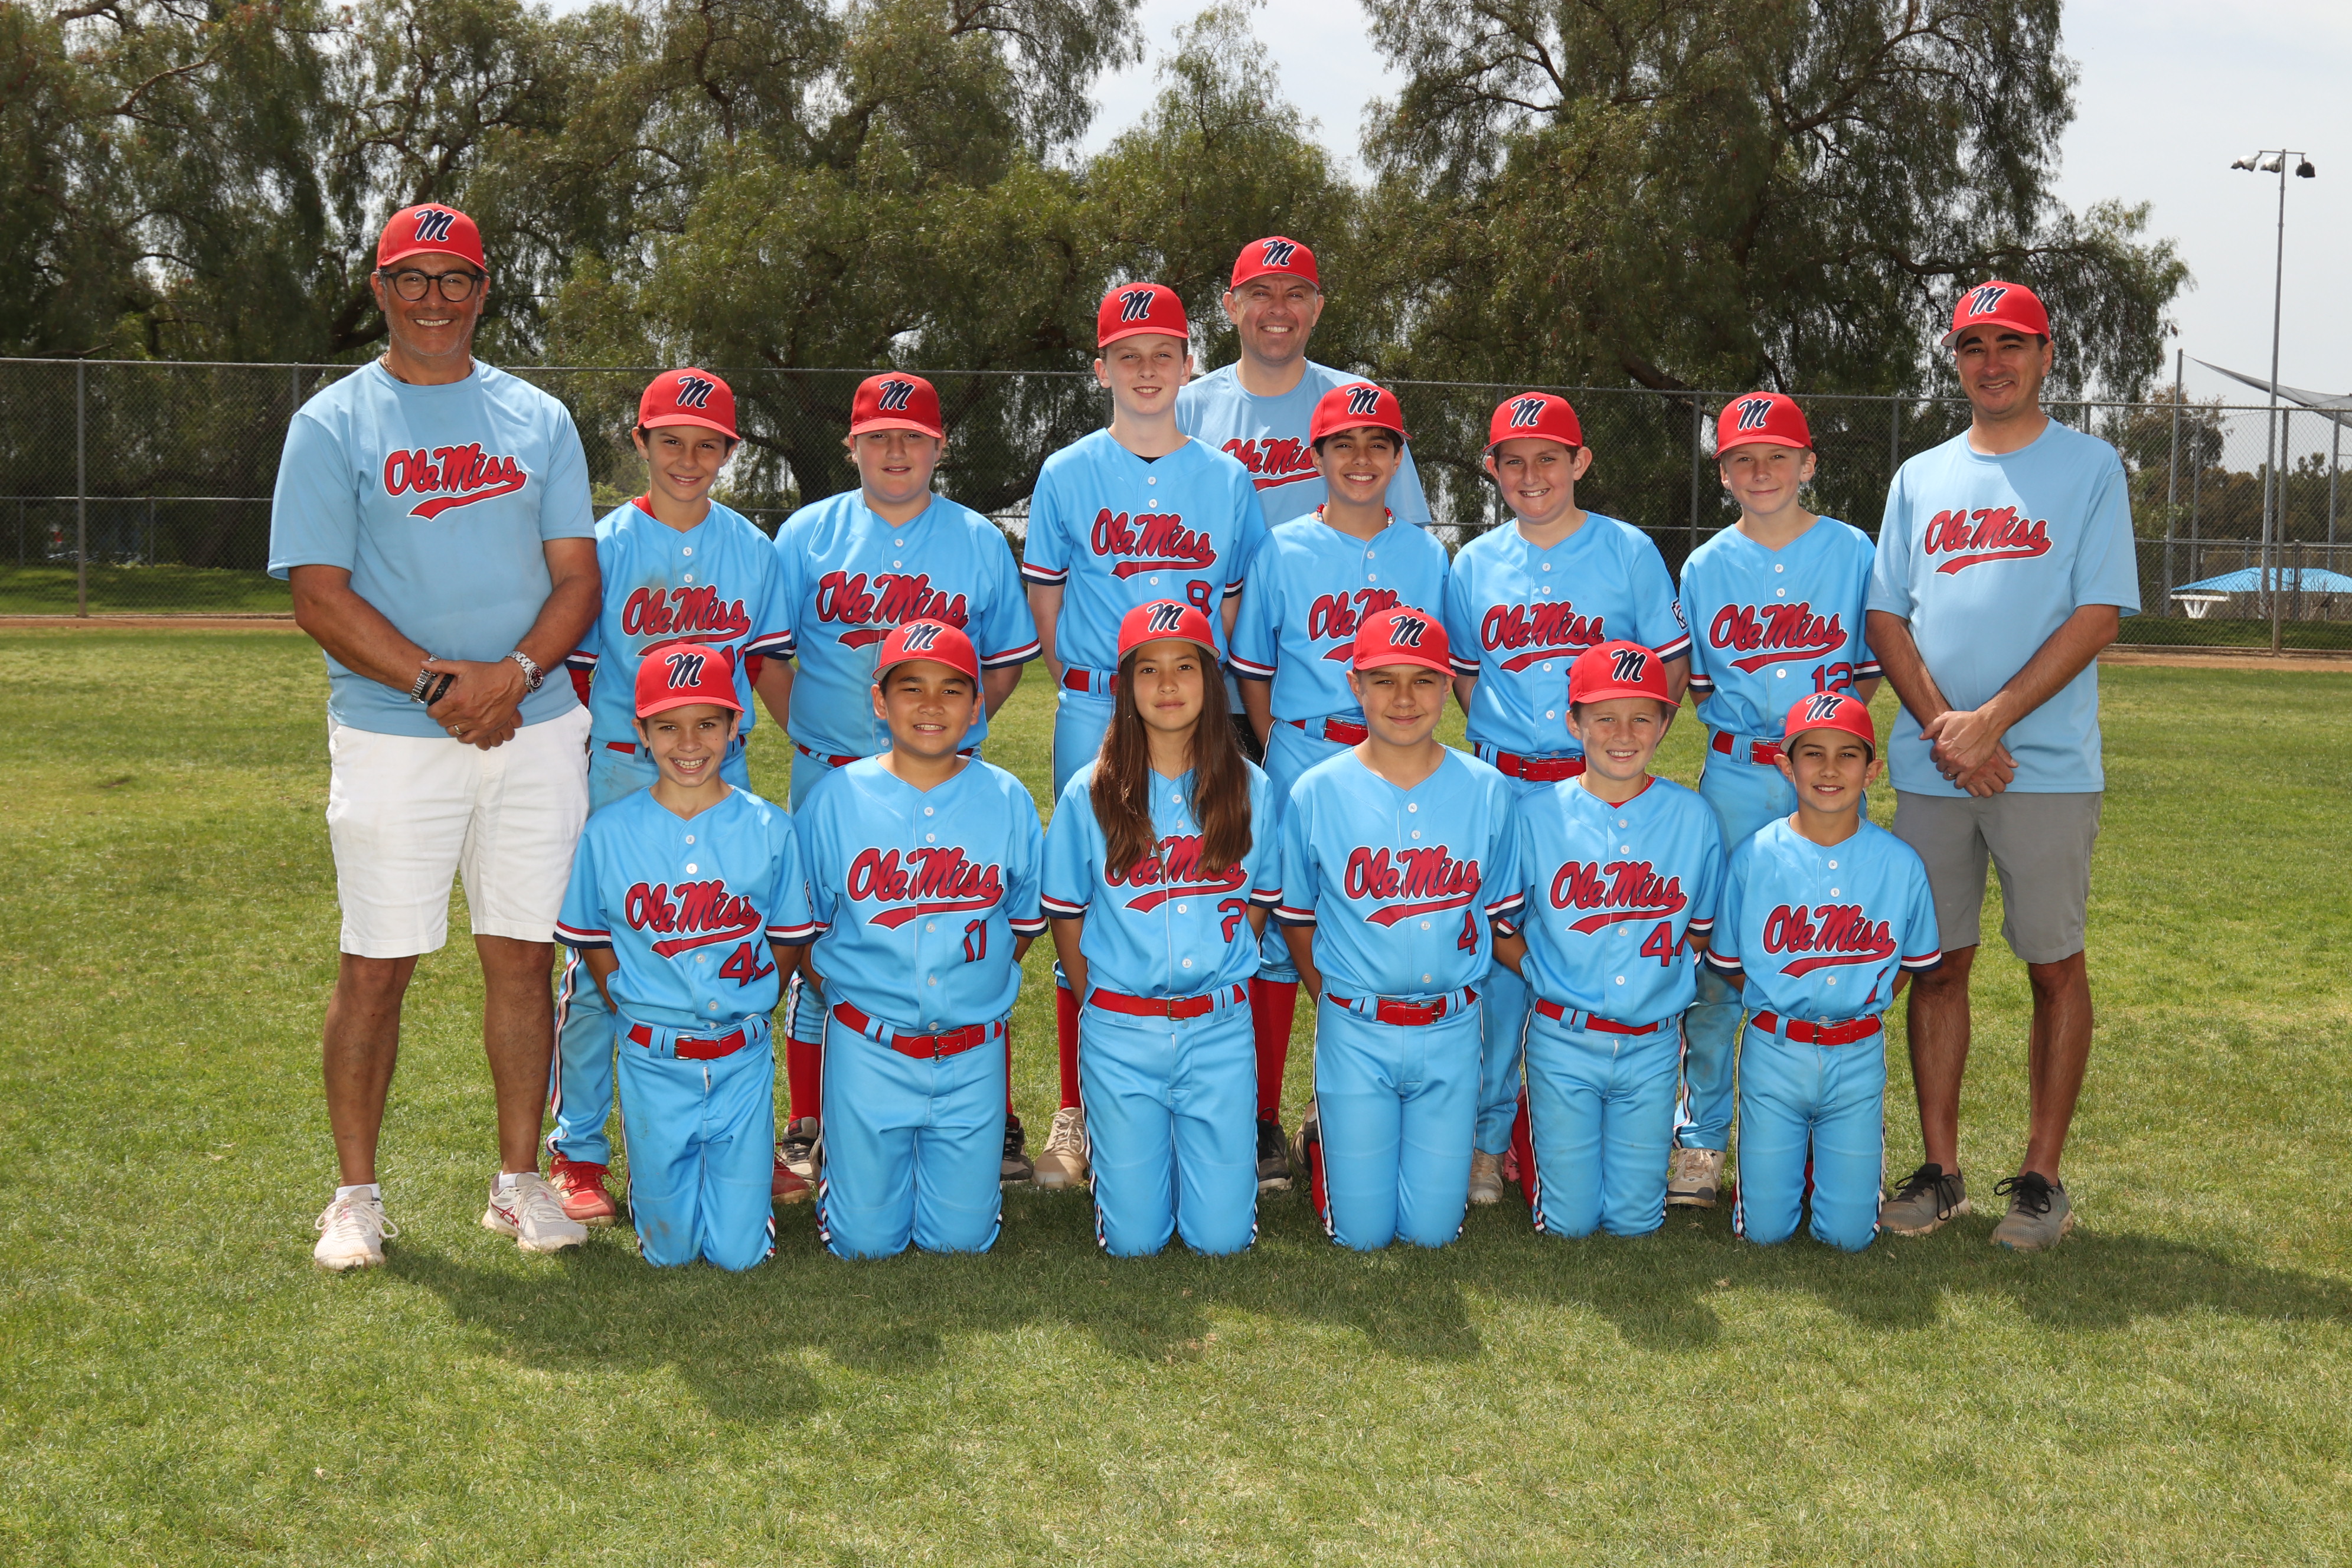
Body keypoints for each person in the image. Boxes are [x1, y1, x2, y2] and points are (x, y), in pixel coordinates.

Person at [273, 203, 602, 1270]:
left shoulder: (537, 417)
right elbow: (318, 596)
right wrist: (436, 684)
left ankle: (518, 1181)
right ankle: (355, 1197)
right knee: (376, 964)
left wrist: (513, 677)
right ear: (380, 291)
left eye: (454, 278)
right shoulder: (332, 422)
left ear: (483, 291)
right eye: (411, 278)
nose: (433, 299)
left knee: (523, 955)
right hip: (392, 732)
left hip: (532, 726)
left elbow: (576, 578)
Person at [1866, 280, 2138, 1252]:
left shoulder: (2088, 466)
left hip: (2045, 766)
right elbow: (1885, 618)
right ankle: (1940, 1172)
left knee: (2053, 965)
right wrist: (1951, 731)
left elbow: (2097, 616)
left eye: (2011, 343)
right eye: (1973, 345)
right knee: (1936, 966)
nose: (1992, 362)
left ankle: (2041, 1178)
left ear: (2046, 354)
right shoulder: (1920, 476)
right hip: (1935, 764)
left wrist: (1992, 722)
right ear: (1955, 361)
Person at [1022, 283, 1267, 1190]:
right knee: (1090, 892)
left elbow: (1233, 608)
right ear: (1102, 369)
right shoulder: (1066, 471)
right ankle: (1081, 1109)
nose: (1148, 369)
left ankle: (1209, 1092)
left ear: (1189, 365)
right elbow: (1047, 600)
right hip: (1096, 703)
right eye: (1128, 355)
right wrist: (1093, 685)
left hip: (1199, 708)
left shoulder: (1227, 478)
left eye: (1164, 352)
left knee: (1198, 880)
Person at [769, 373, 1040, 1189]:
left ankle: (991, 1114)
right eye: (878, 436)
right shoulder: (807, 534)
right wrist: (811, 735)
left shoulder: (978, 539)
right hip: (830, 773)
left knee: (962, 935)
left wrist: (945, 737)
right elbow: (770, 657)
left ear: (939, 447)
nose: (896, 450)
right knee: (820, 942)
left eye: (912, 436)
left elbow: (1000, 664)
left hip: (950, 780)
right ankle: (810, 1119)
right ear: (851, 445)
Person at [545, 368, 796, 1226]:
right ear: (641, 442)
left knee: (734, 950)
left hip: (726, 769)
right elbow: (581, 673)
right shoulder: (604, 545)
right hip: (622, 769)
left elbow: (764, 665)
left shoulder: (753, 550)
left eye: (707, 445)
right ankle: (579, 1151)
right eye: (671, 442)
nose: (689, 459)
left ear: (729, 452)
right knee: (600, 963)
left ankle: (745, 1139)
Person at [1442, 392, 1689, 1207]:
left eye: (1549, 458)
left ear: (1580, 462)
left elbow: (1666, 666)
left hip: (1597, 782)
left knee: (1598, 941)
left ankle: (1607, 1122)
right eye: (1513, 461)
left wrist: (1625, 751)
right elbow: (1467, 677)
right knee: (1500, 963)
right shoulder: (1473, 564)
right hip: (1507, 784)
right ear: (1493, 470)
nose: (1532, 475)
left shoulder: (1627, 550)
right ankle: (1488, 1141)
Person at [1229, 381, 1450, 1191]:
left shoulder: (1426, 555)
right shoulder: (1281, 549)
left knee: (1377, 921)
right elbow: (1255, 669)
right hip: (1301, 750)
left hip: (1397, 757)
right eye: (1343, 445)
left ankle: (1343, 1107)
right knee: (1276, 935)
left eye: (1378, 445)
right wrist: (1284, 744)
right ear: (1314, 456)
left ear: (1397, 458)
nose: (1361, 460)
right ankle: (1260, 1116)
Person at [1670, 391, 1881, 1210]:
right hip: (1735, 774)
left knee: (1824, 952)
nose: (1761, 471)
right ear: (1723, 472)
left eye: (1777, 456)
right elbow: (1700, 687)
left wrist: (1826, 751)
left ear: (1808, 463)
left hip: (1824, 774)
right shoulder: (1706, 565)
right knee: (1716, 968)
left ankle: (1822, 1137)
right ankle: (1700, 1140)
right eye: (1742, 459)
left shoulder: (1852, 550)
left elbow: (1866, 671)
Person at [553, 646, 814, 1268]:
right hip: (653, 1057)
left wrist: (759, 994)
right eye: (668, 725)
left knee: (740, 1254)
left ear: (735, 726)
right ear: (641, 733)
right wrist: (628, 998)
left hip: (742, 1055)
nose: (689, 743)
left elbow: (788, 935)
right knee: (669, 1251)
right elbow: (592, 937)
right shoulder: (609, 831)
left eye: (708, 723)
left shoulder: (770, 827)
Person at [793, 621, 1047, 1259]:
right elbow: (803, 929)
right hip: (868, 1049)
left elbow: (1021, 923)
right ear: (879, 701)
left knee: (962, 1240)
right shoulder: (835, 798)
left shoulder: (1007, 797)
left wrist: (975, 982)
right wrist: (850, 998)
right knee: (863, 1242)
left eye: (951, 690)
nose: (931, 704)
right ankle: (848, 1161)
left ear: (977, 704)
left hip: (972, 1053)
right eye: (911, 687)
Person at [1275, 607, 1523, 1250]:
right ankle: (1325, 1140)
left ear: (1448, 686)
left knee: (1431, 1233)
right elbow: (1297, 917)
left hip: (1451, 1028)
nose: (1404, 698)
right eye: (1384, 680)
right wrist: (1332, 997)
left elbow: (1499, 915)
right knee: (1362, 1234)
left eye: (1424, 680)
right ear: (1355, 685)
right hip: (1357, 1029)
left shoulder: (1488, 790)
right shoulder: (1316, 791)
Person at [1040, 602, 1279, 1257]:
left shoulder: (1253, 789)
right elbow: (1066, 912)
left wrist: (1221, 965)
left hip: (1219, 1031)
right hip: (1122, 1033)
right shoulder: (1090, 791)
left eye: (1185, 668)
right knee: (1134, 1240)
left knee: (1221, 1239)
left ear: (1212, 682)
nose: (1168, 685)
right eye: (1148, 670)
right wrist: (1099, 1000)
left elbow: (1257, 904)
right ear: (1126, 686)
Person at [1703, 692, 1941, 1250]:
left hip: (1857, 1053)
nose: (1830, 769)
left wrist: (1858, 1004)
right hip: (1774, 1050)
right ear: (1786, 767)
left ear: (1872, 772)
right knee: (1764, 1232)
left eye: (1847, 755)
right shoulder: (1755, 856)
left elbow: (1910, 964)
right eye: (1812, 754)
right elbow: (1731, 965)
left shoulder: (1900, 863)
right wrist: (1779, 1002)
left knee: (1849, 1237)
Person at [1504, 642, 1724, 1240]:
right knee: (1569, 1223)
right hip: (1563, 1039)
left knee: (1634, 1222)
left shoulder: (1693, 818)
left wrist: (1656, 979)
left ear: (1665, 724)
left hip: (1652, 1044)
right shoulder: (1537, 814)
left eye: (1641, 717)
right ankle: (1530, 1124)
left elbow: (1699, 931)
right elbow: (1501, 925)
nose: (1623, 734)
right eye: (1604, 717)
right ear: (1573, 723)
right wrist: (1541, 973)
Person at [1177, 236, 1433, 532]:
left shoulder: (1359, 400)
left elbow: (1407, 533)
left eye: (1296, 295)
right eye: (1261, 293)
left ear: (1317, 309)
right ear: (1232, 307)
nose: (1279, 308)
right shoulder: (1187, 408)